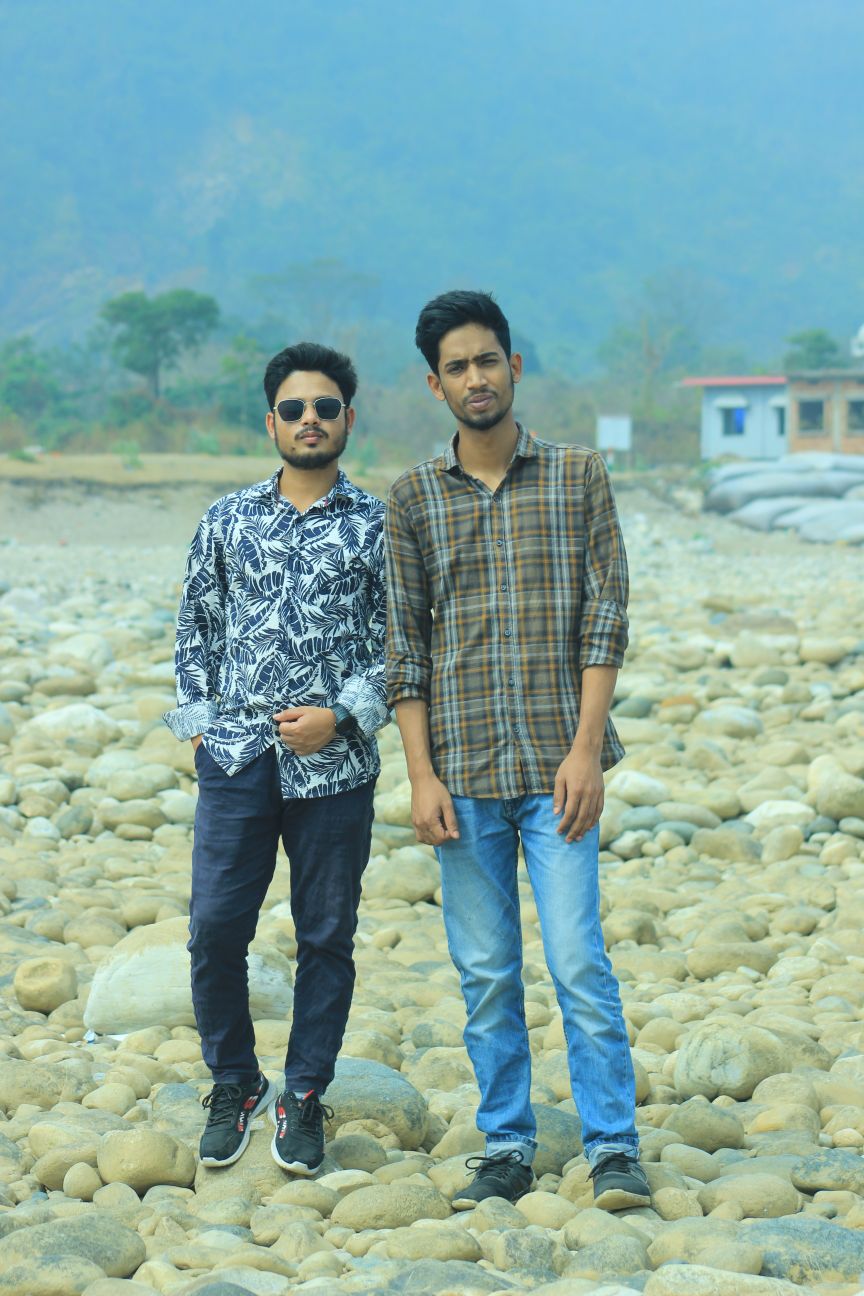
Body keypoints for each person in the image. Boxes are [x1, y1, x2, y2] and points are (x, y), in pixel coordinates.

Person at [384, 290, 648, 1212]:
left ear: (514, 366)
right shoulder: (413, 499)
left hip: (556, 771)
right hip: (461, 776)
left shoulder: (577, 476)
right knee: (489, 974)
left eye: (487, 359)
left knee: (578, 961)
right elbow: (405, 648)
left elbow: (605, 618)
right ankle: (506, 1143)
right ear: (435, 385)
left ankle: (613, 1146)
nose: (475, 378)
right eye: (456, 367)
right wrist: (420, 777)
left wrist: (586, 752)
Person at [164, 341, 387, 1175]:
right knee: (215, 930)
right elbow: (195, 627)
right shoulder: (227, 519)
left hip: (336, 769)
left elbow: (401, 646)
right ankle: (236, 1081)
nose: (309, 420)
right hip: (235, 759)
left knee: (326, 936)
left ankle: (305, 1092)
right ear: (272, 423)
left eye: (325, 408)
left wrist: (342, 717)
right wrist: (201, 727)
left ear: (348, 419)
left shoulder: (377, 527)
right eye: (294, 409)